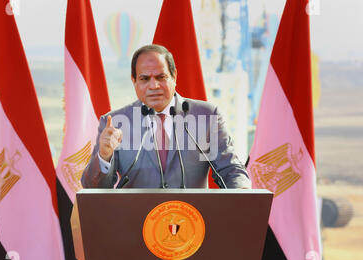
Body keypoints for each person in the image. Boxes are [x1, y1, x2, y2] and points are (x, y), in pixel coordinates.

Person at [81, 45, 250, 189]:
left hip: (193, 222)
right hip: (137, 223)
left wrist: (241, 190)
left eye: (161, 77)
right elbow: (93, 188)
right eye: (145, 79)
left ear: (174, 76)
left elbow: (230, 169)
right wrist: (104, 156)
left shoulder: (206, 116)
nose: (154, 85)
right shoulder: (115, 122)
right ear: (134, 81)